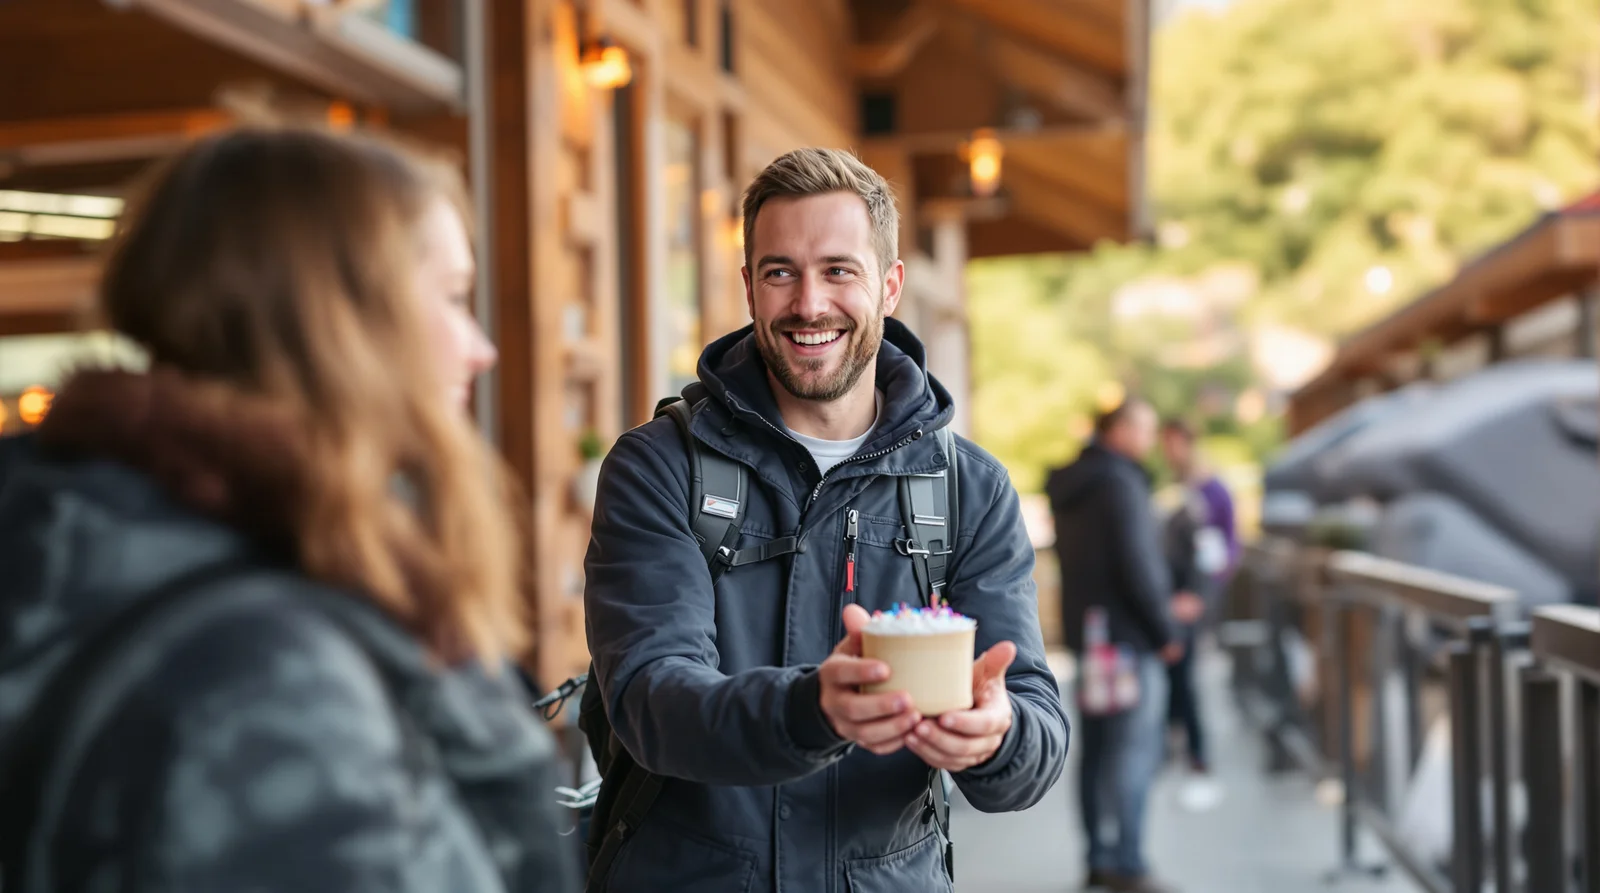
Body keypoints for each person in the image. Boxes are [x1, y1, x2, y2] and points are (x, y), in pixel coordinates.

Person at [0, 127, 578, 892]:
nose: (481, 348)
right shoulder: (263, 675)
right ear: (338, 325)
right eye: (449, 296)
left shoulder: (111, 546)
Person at [582, 147, 1067, 892]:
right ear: (749, 287)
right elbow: (651, 699)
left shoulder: (971, 488)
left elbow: (1035, 734)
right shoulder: (658, 466)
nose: (809, 303)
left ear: (891, 285)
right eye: (781, 272)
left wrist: (998, 735)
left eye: (839, 270)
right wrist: (812, 710)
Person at [1046, 397, 1180, 893]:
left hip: (1092, 636)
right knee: (1131, 750)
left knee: (1099, 749)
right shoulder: (1119, 482)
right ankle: (1127, 862)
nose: (1149, 440)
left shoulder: (1076, 483)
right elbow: (1137, 565)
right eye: (1144, 428)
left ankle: (1098, 857)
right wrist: (1166, 633)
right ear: (1118, 430)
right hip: (1127, 640)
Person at [1159, 418, 1238, 812]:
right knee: (1174, 674)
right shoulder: (1170, 487)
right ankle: (1175, 743)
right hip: (1169, 598)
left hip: (1194, 600)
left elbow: (1226, 548)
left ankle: (1195, 751)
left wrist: (1203, 595)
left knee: (1187, 677)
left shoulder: (1212, 492)